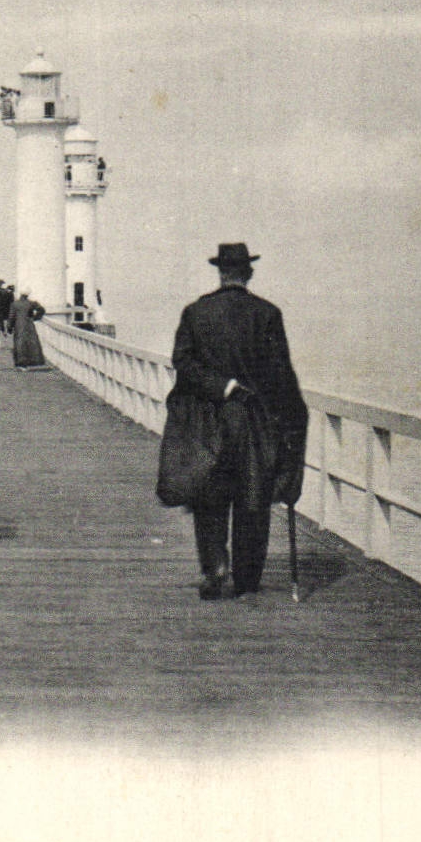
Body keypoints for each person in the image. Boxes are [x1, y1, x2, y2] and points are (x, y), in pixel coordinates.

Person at [161, 243, 308, 601]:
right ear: (249, 273)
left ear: (220, 272)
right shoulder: (267, 314)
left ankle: (214, 568)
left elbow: (183, 362)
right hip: (254, 423)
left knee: (209, 498)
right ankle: (246, 582)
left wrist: (220, 386)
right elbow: (281, 375)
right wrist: (293, 422)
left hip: (207, 421)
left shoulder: (196, 313)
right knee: (252, 500)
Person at [9, 290, 47, 368]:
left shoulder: (15, 304)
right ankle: (33, 360)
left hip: (18, 325)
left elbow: (11, 317)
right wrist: (35, 318)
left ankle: (20, 361)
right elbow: (42, 310)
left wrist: (9, 327)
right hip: (29, 324)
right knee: (31, 342)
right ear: (27, 295)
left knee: (19, 342)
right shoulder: (31, 303)